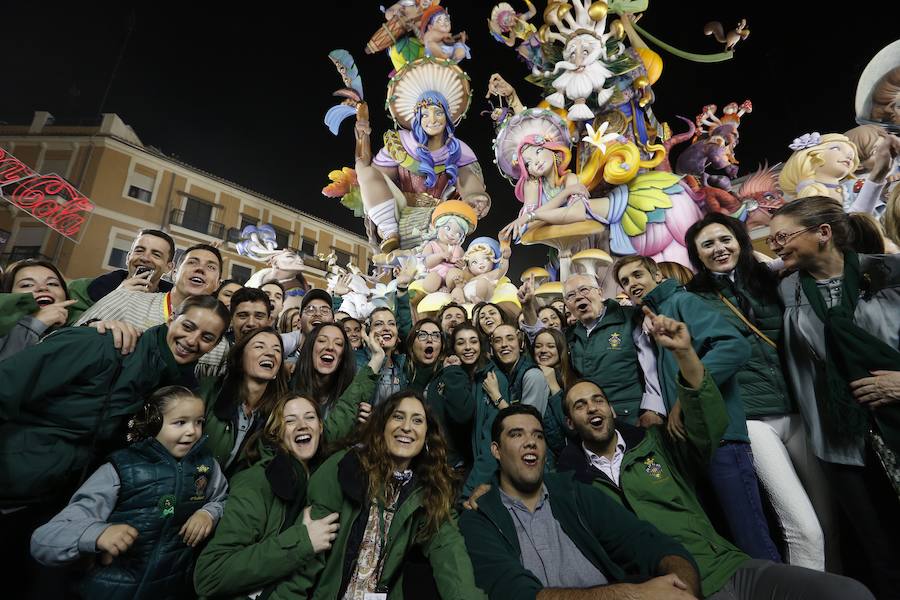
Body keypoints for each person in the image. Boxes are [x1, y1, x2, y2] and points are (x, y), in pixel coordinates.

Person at [556, 310, 874, 600]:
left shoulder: (656, 445)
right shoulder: (575, 486)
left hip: (724, 566)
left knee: (850, 593)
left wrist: (685, 354)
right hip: (665, 590)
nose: (592, 408)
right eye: (580, 405)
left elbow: (706, 428)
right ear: (570, 422)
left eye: (597, 399)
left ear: (610, 408)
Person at [0, 295, 229, 585]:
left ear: (216, 344)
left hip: (63, 504)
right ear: (171, 318)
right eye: (188, 326)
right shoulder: (104, 343)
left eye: (207, 336)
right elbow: (7, 384)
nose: (192, 339)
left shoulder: (176, 390)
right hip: (13, 489)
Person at [685, 212, 832, 570]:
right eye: (707, 244)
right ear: (697, 255)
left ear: (740, 242)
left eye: (725, 240)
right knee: (804, 528)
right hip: (751, 419)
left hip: (800, 410)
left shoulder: (771, 281)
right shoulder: (692, 299)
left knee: (830, 519)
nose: (719, 249)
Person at [769, 196, 900, 598]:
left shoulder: (888, 273)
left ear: (823, 233)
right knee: (879, 549)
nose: (775, 247)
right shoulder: (788, 290)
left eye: (782, 237)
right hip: (841, 440)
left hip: (895, 420)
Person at [614, 254, 780, 563]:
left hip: (722, 437)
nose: (632, 284)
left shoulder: (682, 303)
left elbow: (734, 346)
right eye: (625, 281)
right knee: (728, 540)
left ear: (657, 276)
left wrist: (684, 396)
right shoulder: (652, 317)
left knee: (751, 537)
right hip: (694, 442)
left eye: (637, 275)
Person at [459, 403, 701, 600]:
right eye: (516, 434)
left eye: (538, 435)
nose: (531, 442)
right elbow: (515, 593)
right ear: (496, 450)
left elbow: (648, 542)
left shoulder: (576, 494)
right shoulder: (480, 517)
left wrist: (682, 588)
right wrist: (633, 595)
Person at [31, 386, 228, 600]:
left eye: (198, 421)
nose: (192, 431)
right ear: (153, 422)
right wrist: (97, 534)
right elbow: (44, 540)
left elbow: (223, 499)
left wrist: (209, 513)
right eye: (180, 422)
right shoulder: (120, 468)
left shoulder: (208, 467)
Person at [302, 390, 486, 599]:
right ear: (382, 426)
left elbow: (451, 558)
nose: (406, 427)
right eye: (398, 417)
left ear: (427, 435)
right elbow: (305, 564)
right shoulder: (344, 467)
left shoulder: (429, 491)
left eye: (417, 421)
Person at [194, 393, 340, 599]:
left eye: (309, 417)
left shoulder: (315, 481)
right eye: (290, 420)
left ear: (321, 428)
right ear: (276, 432)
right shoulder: (257, 482)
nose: (302, 425)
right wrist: (303, 542)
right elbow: (210, 575)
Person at [524, 273, 665, 426]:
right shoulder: (571, 335)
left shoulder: (629, 319)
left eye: (584, 290)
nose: (578, 297)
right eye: (571, 295)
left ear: (599, 292)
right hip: (592, 422)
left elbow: (650, 364)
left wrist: (653, 408)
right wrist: (527, 306)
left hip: (633, 417)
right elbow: (543, 340)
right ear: (567, 304)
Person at [426, 323, 510, 497]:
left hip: (481, 476)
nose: (468, 348)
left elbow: (492, 440)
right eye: (461, 343)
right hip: (448, 471)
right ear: (453, 347)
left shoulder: (493, 379)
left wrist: (471, 489)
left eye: (473, 341)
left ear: (481, 345)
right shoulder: (449, 375)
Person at [199, 327, 290, 475]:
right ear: (240, 359)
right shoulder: (208, 391)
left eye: (277, 350)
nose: (270, 353)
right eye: (259, 346)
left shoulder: (281, 412)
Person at [75, 243, 222, 329]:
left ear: (218, 284)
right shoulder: (127, 298)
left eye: (211, 267)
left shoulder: (218, 337)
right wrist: (97, 330)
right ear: (174, 272)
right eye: (192, 262)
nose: (200, 269)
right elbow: (73, 334)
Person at [291, 322, 383, 439]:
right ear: (310, 347)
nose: (330, 347)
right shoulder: (290, 385)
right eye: (322, 341)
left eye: (338, 344)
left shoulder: (349, 393)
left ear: (343, 357)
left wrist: (364, 427)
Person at [66, 229, 176, 322]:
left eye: (156, 255)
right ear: (128, 257)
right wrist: (118, 295)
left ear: (168, 267)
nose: (145, 258)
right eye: (139, 251)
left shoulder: (175, 306)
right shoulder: (81, 289)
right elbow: (68, 330)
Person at [0, 258, 76, 360]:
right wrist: (35, 324)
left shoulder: (76, 327)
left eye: (52, 283)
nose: (42, 287)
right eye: (27, 285)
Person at [531, 327, 576, 456]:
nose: (543, 350)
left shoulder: (573, 379)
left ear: (561, 350)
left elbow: (571, 427)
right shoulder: (530, 377)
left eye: (551, 346)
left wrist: (553, 384)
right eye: (538, 346)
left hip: (569, 455)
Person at [489, 323, 549, 415]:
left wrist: (496, 396)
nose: (504, 344)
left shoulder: (532, 375)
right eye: (498, 341)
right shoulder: (503, 373)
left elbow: (526, 422)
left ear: (521, 344)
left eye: (510, 339)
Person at [356, 307, 408, 406]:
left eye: (391, 323)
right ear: (368, 331)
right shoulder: (355, 360)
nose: (386, 328)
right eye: (379, 324)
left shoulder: (403, 367)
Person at [404, 317, 444, 393]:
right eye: (422, 335)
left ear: (442, 346)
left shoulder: (448, 373)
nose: (429, 340)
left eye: (436, 335)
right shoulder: (400, 371)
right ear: (411, 343)